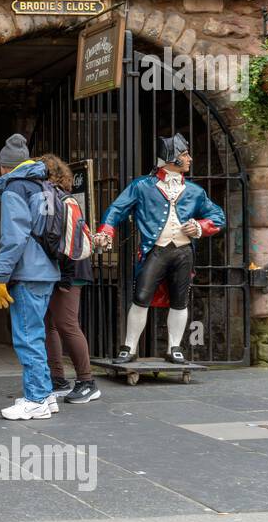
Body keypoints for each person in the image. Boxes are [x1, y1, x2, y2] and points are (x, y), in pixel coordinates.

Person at [93, 133, 226, 364]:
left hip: (183, 252)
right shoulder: (141, 186)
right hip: (155, 250)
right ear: (171, 158)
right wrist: (106, 231)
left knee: (180, 300)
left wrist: (200, 226)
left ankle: (174, 347)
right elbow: (116, 209)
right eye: (185, 154)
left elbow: (217, 216)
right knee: (141, 297)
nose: (190, 159)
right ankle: (129, 347)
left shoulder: (195, 191)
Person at [0, 133, 60, 421]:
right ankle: (46, 393)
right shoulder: (44, 184)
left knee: (27, 337)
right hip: (46, 270)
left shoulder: (15, 187)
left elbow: (14, 237)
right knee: (37, 335)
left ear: (4, 166)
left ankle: (37, 398)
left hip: (27, 271)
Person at [35, 153, 100, 405]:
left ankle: (87, 382)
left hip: (69, 270)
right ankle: (58, 380)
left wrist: (64, 275)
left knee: (66, 323)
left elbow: (68, 243)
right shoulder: (57, 199)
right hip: (62, 269)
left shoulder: (61, 200)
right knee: (50, 323)